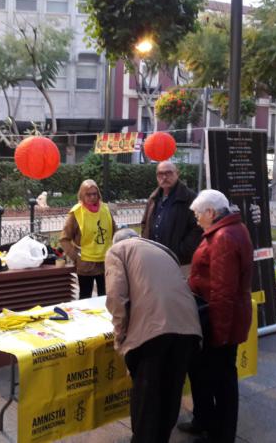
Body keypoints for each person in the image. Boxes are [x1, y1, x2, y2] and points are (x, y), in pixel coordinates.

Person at [105, 228, 202, 443]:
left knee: (147, 398)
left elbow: (116, 297)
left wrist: (120, 338)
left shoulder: (117, 251)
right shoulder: (164, 251)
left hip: (153, 332)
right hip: (189, 327)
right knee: (171, 390)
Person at [178, 189, 253, 443]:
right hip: (214, 315)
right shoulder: (226, 229)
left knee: (222, 379)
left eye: (198, 214)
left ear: (211, 212)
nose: (196, 219)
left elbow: (223, 291)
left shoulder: (223, 237)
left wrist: (219, 335)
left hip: (219, 321)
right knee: (202, 372)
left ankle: (221, 434)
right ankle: (204, 420)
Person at [59, 179, 116, 299]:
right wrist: (76, 257)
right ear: (82, 195)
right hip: (85, 264)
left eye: (95, 194)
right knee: (85, 297)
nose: (92, 197)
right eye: (88, 194)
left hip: (105, 262)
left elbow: (115, 233)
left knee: (107, 298)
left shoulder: (105, 210)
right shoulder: (77, 213)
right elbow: (64, 239)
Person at [141, 161, 203, 266]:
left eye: (169, 173)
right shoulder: (153, 198)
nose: (164, 177)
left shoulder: (189, 197)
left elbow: (198, 228)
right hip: (154, 258)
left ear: (177, 174)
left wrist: (181, 251)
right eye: (160, 174)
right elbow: (145, 224)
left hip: (179, 261)